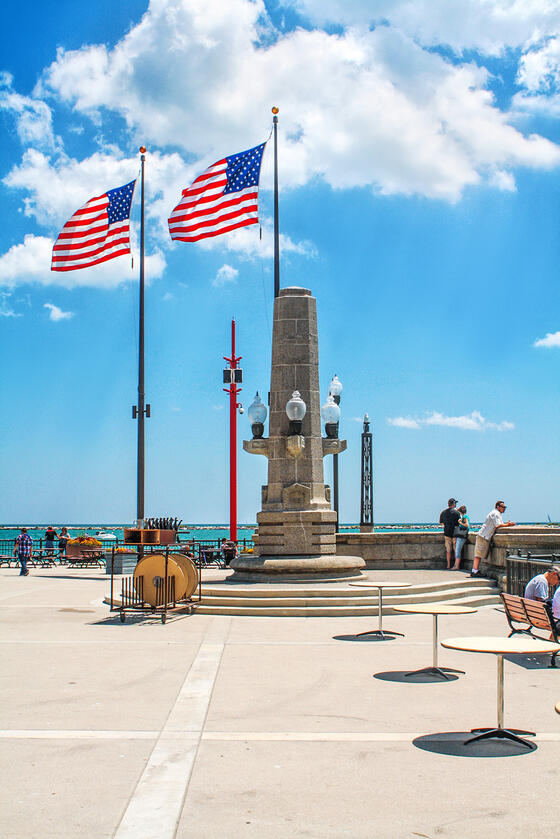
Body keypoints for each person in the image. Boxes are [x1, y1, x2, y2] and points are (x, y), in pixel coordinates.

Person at [471, 500, 515, 577]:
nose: (504, 508)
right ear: (498, 507)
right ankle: (474, 571)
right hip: (483, 536)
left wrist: (506, 524)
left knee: (479, 555)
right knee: (478, 555)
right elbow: (498, 525)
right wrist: (508, 524)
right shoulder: (495, 513)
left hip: (485, 536)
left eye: (505, 507)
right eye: (503, 507)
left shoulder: (497, 514)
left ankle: (475, 571)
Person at [439, 498, 460, 570]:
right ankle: (455, 565)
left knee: (448, 550)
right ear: (453, 504)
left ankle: (448, 565)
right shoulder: (457, 513)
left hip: (447, 533)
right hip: (455, 533)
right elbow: (459, 523)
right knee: (455, 550)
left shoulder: (443, 512)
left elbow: (441, 523)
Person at [452, 505, 470, 570]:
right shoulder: (464, 516)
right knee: (458, 550)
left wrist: (460, 522)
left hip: (461, 536)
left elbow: (467, 525)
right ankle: (456, 565)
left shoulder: (465, 516)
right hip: (461, 536)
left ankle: (457, 566)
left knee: (457, 550)